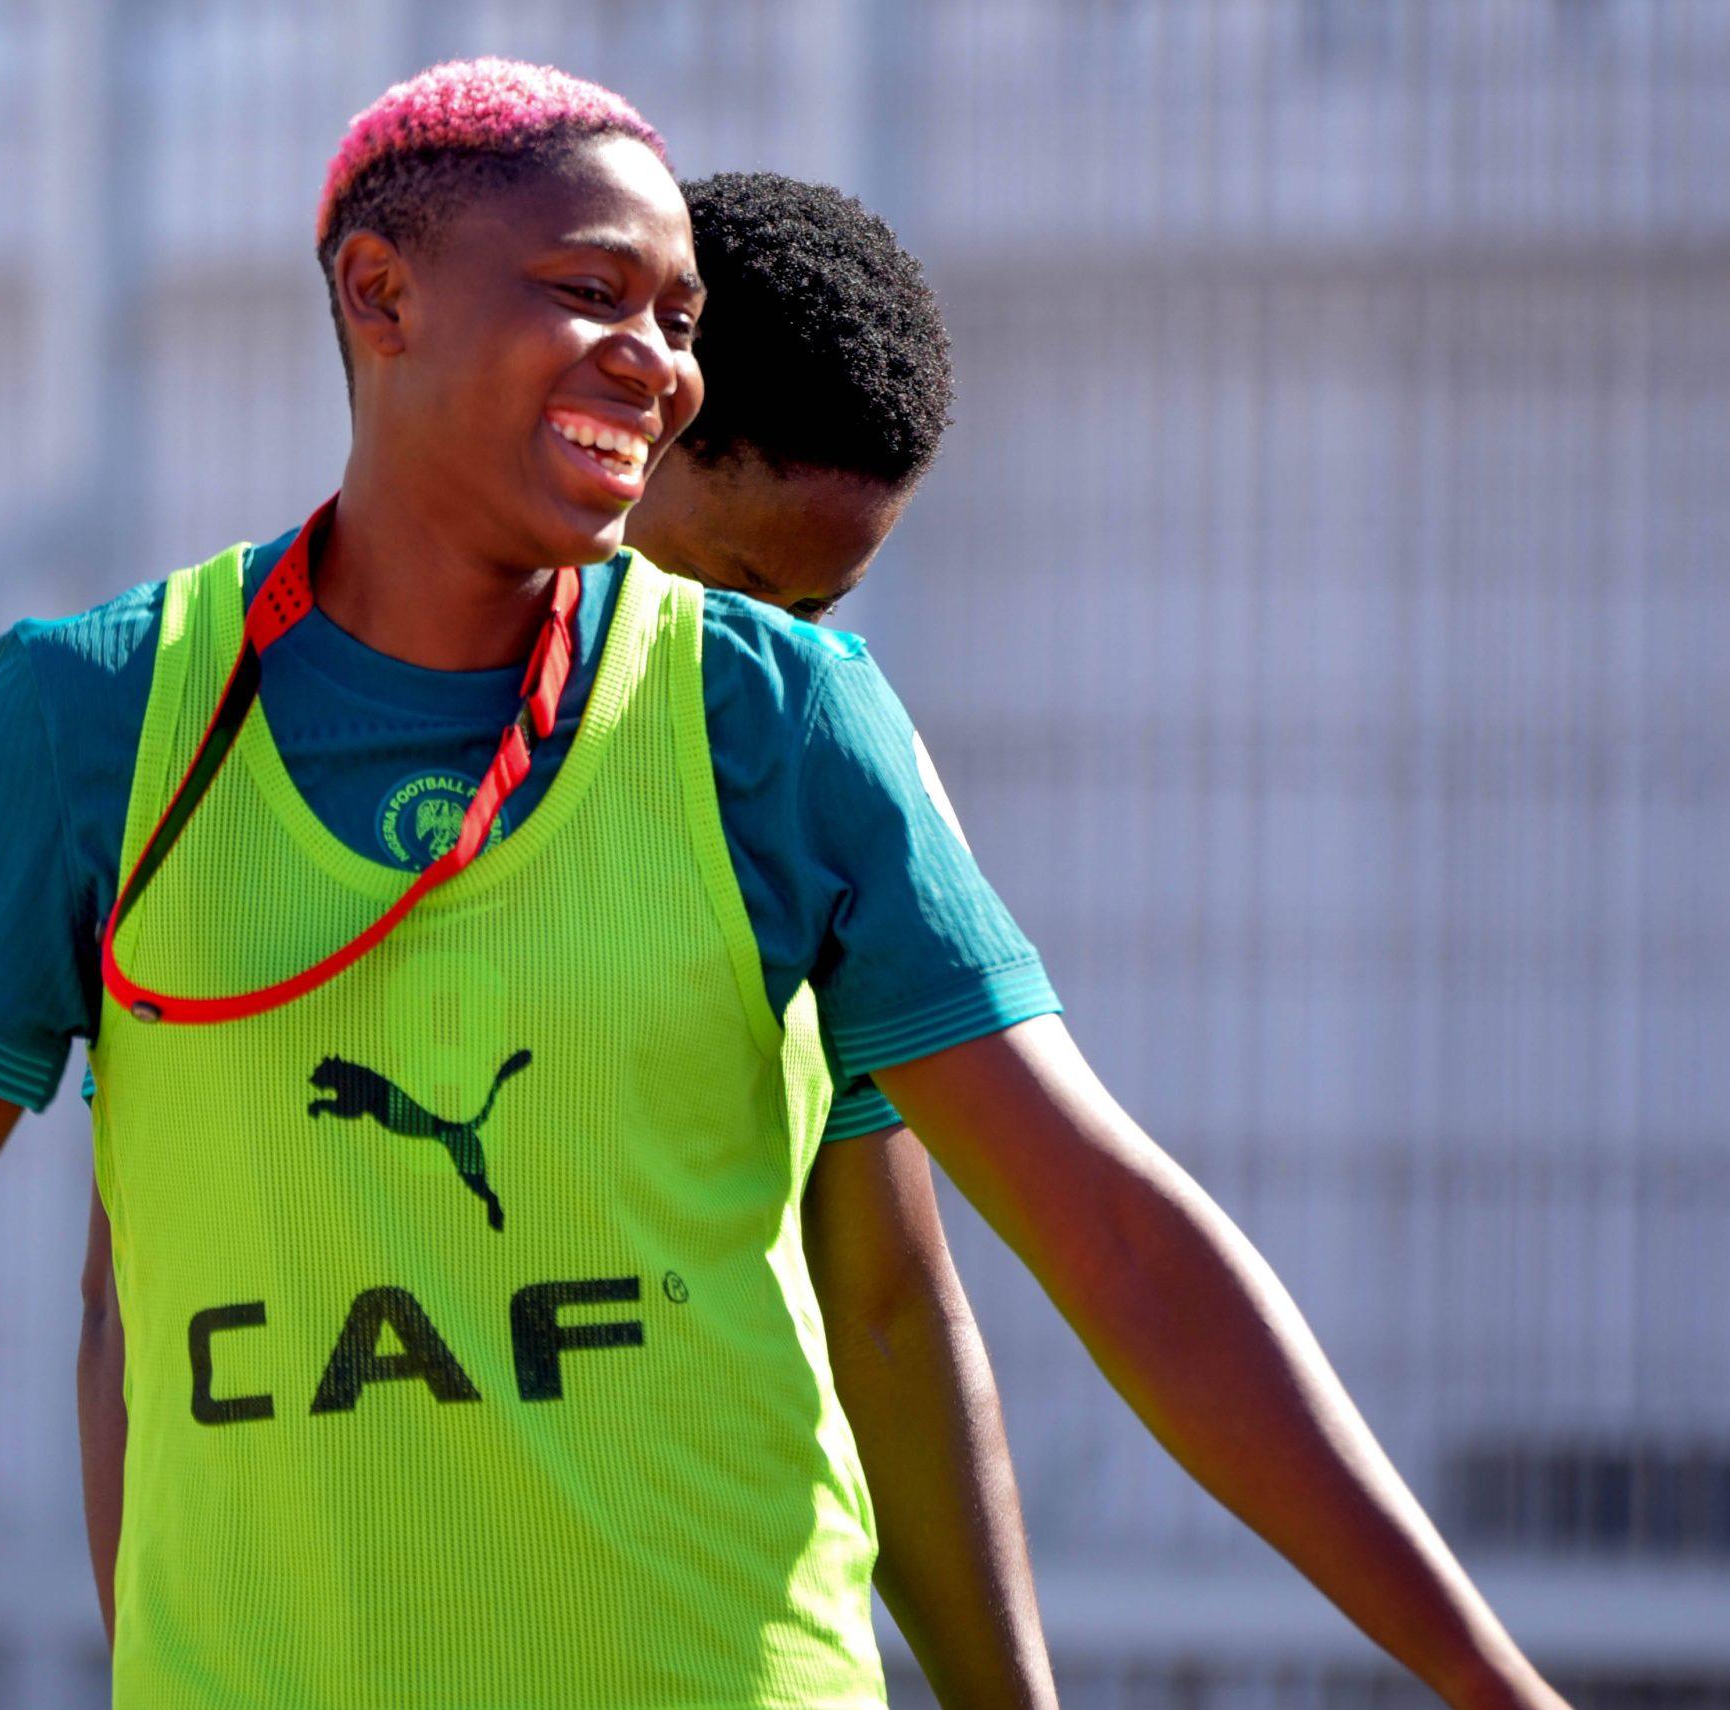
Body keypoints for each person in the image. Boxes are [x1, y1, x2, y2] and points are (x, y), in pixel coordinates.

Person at [0, 58, 1572, 1710]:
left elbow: (1097, 1241)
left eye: (677, 313)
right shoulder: (94, 725)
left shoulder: (770, 721)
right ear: (378, 294)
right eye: (586, 294)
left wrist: (1490, 1685)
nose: (653, 352)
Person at [72, 167, 1059, 1706]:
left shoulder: (800, 771)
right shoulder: (232, 738)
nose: (776, 649)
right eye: (736, 584)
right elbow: (139, 1324)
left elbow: (886, 1301)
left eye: (823, 605)